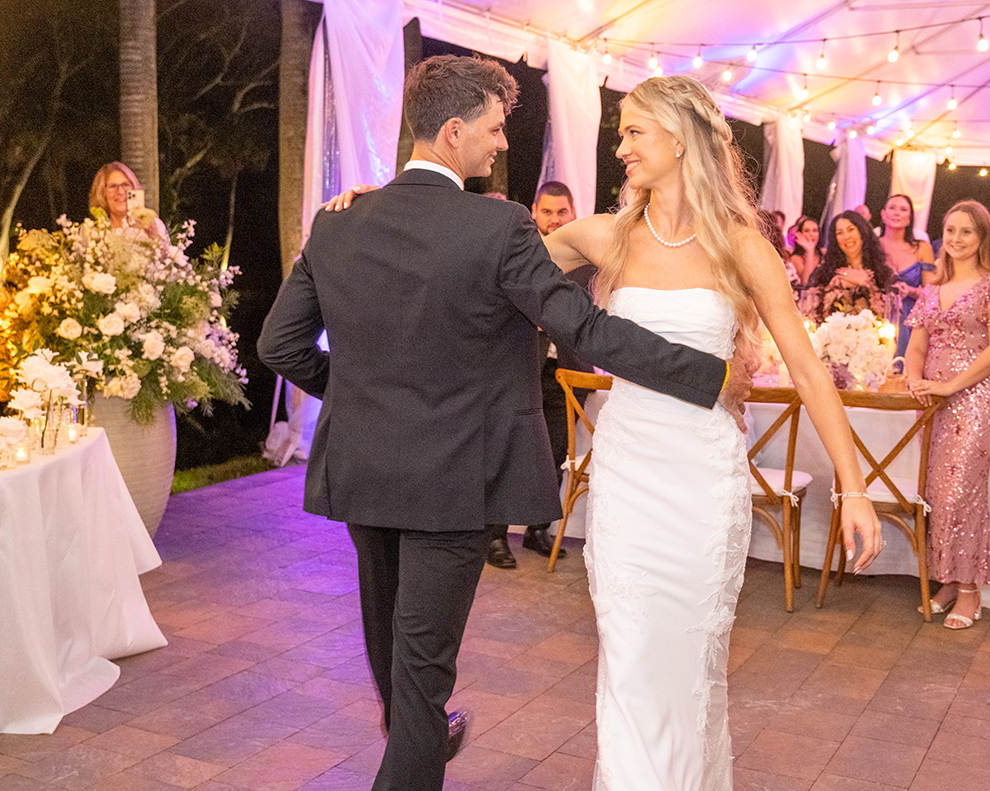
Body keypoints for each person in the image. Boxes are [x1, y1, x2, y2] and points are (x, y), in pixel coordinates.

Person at [257, 56, 753, 791]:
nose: (500, 144)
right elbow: (585, 330)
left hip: (363, 472)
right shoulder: (498, 227)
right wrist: (707, 374)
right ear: (454, 131)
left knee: (400, 670)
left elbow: (278, 346)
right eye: (493, 129)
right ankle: (419, 749)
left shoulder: (339, 222)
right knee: (419, 675)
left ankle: (421, 736)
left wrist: (358, 392)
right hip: (452, 479)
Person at [542, 74, 883, 791]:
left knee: (688, 665)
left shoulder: (739, 246)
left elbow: (810, 373)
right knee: (631, 663)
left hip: (702, 482)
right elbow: (491, 266)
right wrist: (384, 209)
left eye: (635, 130)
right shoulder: (606, 236)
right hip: (628, 475)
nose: (621, 144)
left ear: (680, 137)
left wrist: (855, 488)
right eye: (621, 131)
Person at [904, 201, 990, 629]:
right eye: (950, 230)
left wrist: (950, 385)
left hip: (979, 396)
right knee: (938, 494)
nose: (956, 239)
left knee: (960, 492)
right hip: (933, 400)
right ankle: (950, 580)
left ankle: (971, 589)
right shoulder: (933, 286)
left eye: (966, 232)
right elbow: (916, 343)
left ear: (983, 239)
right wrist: (915, 379)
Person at [485, 180, 589, 568]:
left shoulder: (589, 260)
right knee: (508, 452)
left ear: (573, 213)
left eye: (562, 212)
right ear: (534, 211)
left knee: (556, 454)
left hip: (567, 372)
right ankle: (494, 536)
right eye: (547, 211)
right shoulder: (516, 251)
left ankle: (538, 529)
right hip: (518, 368)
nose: (554, 219)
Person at [805, 210, 897, 323]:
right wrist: (836, 287)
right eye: (839, 233)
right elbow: (810, 311)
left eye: (851, 230)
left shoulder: (883, 272)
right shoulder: (823, 273)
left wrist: (866, 283)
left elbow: (892, 312)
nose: (846, 237)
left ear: (862, 232)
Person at [879, 194, 937, 357]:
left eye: (903, 209)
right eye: (892, 208)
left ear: (910, 218)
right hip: (879, 315)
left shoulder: (922, 248)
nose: (897, 213)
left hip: (911, 317)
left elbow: (932, 293)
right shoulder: (873, 247)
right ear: (883, 214)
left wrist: (910, 291)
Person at [88, 161, 168, 241]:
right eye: (113, 186)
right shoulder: (93, 232)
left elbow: (168, 252)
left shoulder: (153, 225)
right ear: (102, 193)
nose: (120, 191)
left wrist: (155, 237)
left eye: (125, 185)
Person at [788, 215, 821, 285]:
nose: (811, 234)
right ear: (801, 234)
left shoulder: (823, 255)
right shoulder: (796, 258)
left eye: (814, 230)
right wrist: (810, 251)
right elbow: (806, 282)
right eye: (807, 231)